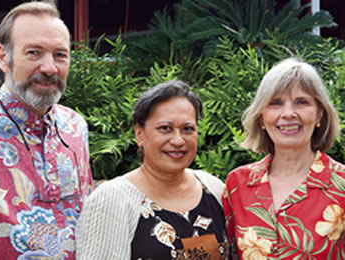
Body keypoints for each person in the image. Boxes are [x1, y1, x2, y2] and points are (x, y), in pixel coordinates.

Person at [0, 1, 93, 258]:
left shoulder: (75, 126)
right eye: (34, 53)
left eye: (60, 55)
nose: (50, 67)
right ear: (3, 57)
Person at [222, 57, 345, 259]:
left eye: (301, 102)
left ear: (319, 115)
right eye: (275, 103)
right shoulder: (237, 184)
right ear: (261, 117)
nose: (288, 113)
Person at [76, 79, 231, 259]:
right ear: (139, 134)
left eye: (188, 129)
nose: (178, 140)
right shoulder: (110, 200)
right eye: (165, 128)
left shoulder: (214, 189)